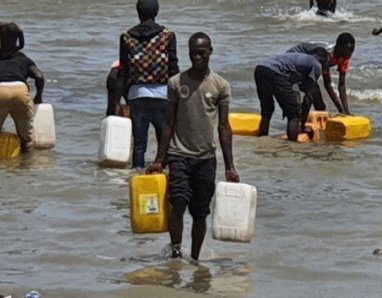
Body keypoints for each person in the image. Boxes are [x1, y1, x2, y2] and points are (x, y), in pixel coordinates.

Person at [147, 32, 239, 260]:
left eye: (202, 53)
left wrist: (230, 166)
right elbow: (169, 122)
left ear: (210, 52)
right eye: (193, 53)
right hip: (179, 154)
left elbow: (224, 127)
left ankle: (196, 259)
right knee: (177, 204)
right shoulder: (176, 83)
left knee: (200, 213)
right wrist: (160, 159)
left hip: (206, 158)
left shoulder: (220, 85)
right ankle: (176, 251)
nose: (197, 57)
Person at [111, 0, 179, 168]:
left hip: (137, 96)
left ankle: (137, 177)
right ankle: (162, 177)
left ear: (138, 13)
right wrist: (180, 97)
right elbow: (173, 68)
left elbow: (123, 72)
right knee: (164, 144)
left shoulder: (126, 37)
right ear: (156, 12)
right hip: (163, 95)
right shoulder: (168, 35)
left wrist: (115, 103)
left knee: (139, 145)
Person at [255, 51, 328, 141]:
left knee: (267, 110)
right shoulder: (317, 65)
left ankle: (262, 142)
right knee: (294, 114)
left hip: (260, 69)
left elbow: (294, 88)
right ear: (323, 59)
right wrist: (302, 125)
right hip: (276, 72)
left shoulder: (301, 61)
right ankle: (292, 148)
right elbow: (308, 99)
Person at [0, 22, 45, 153]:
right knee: (27, 140)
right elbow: (39, 76)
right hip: (20, 91)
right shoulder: (22, 58)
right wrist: (39, 97)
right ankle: (26, 168)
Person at [286, 32, 355, 115]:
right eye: (347, 52)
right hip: (292, 60)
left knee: (320, 106)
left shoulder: (345, 57)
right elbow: (328, 85)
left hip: (307, 65)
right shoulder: (327, 55)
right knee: (297, 103)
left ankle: (308, 122)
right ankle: (299, 123)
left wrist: (346, 111)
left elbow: (341, 86)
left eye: (351, 51)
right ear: (339, 48)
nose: (349, 54)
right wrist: (341, 110)